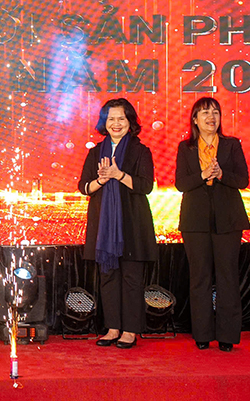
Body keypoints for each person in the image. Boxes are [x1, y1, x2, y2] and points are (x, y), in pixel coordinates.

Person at [78, 98, 157, 349]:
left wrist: (119, 175)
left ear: (130, 122)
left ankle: (130, 331)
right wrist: (102, 180)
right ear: (104, 122)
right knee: (108, 277)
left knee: (132, 278)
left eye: (121, 119)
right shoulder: (94, 152)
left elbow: (145, 186)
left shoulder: (140, 151)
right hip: (103, 227)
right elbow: (84, 187)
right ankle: (112, 328)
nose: (116, 123)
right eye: (111, 119)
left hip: (132, 224)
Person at [175, 97, 249, 352]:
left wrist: (221, 175)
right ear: (195, 119)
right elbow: (181, 184)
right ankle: (202, 334)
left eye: (215, 112)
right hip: (195, 221)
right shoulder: (185, 148)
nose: (211, 117)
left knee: (228, 277)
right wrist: (203, 175)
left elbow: (243, 180)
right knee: (200, 278)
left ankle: (227, 336)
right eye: (205, 113)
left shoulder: (231, 145)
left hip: (228, 220)